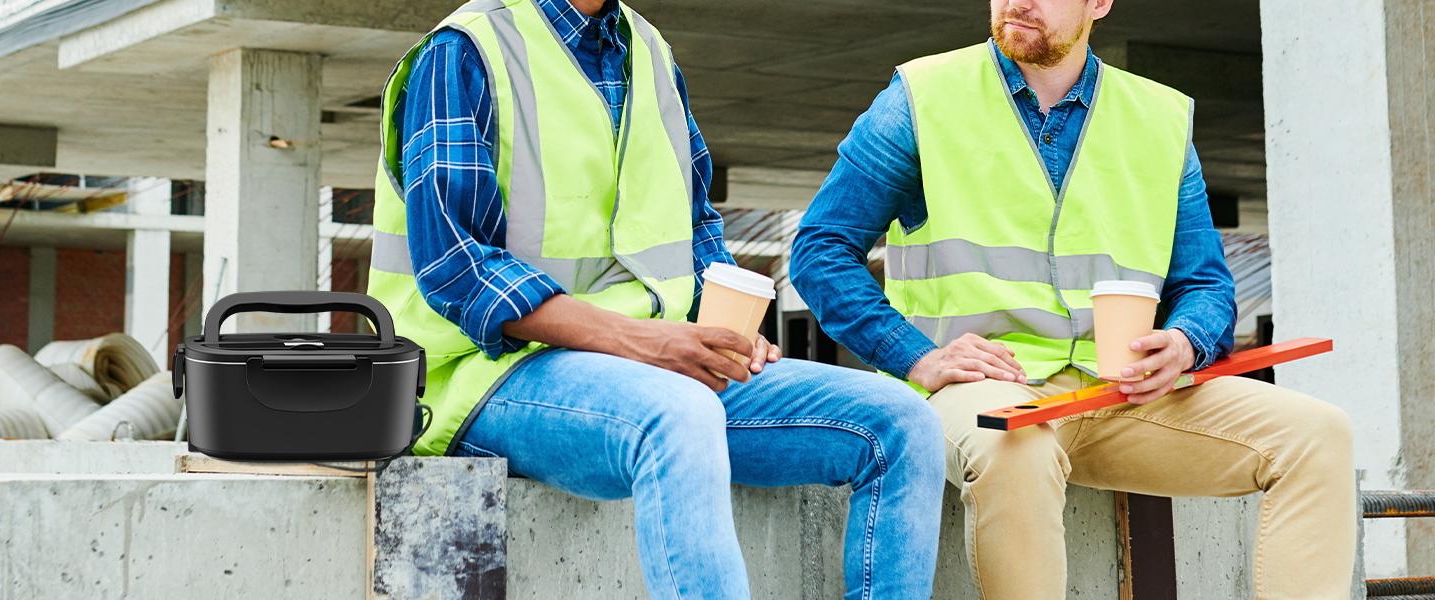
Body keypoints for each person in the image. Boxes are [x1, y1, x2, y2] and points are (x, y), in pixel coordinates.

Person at [365, 0, 947, 598]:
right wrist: (646, 341)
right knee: (679, 414)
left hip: (650, 366)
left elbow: (694, 226)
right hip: (483, 374)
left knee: (902, 422)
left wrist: (725, 327)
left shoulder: (650, 51)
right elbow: (454, 266)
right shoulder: (466, 50)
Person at [789, 0, 1356, 598]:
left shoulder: (1157, 117)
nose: (1017, 1)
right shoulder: (922, 96)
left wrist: (1186, 341)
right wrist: (916, 356)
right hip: (982, 389)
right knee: (1017, 449)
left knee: (1318, 433)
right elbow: (821, 249)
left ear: (1099, 3)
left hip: (1120, 391)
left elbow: (1204, 283)